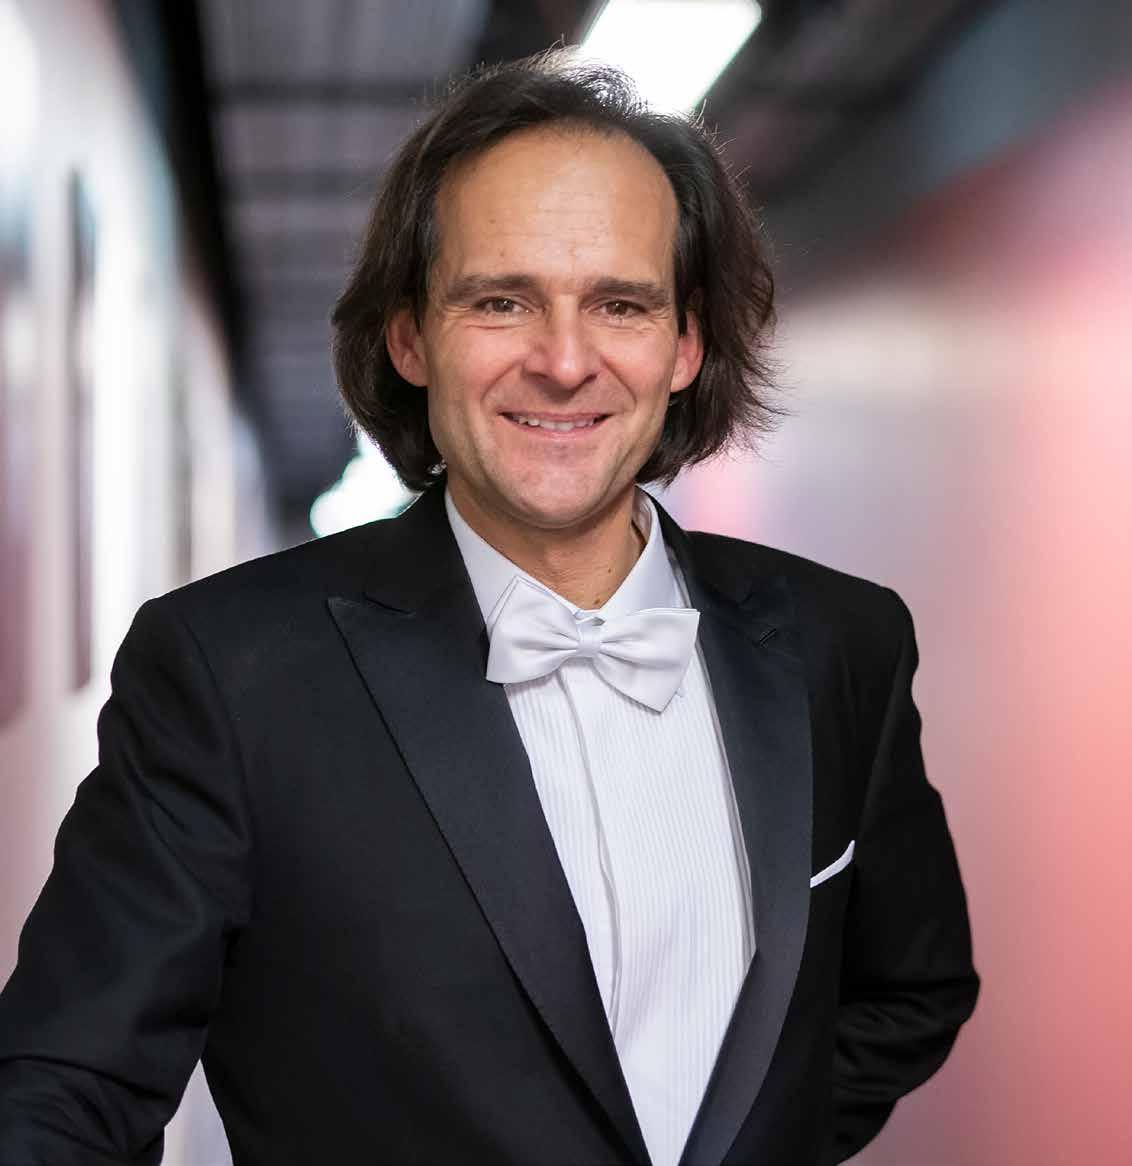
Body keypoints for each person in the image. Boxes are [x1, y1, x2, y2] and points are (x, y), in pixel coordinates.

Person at [0, 52, 978, 1166]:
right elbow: (65, 1087)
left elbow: (908, 990)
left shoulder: (839, 643)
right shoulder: (226, 669)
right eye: (501, 301)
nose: (563, 361)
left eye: (620, 303)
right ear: (409, 336)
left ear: (686, 344)